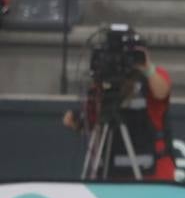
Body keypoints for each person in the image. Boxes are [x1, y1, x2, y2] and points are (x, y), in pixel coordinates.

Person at [61, 27, 175, 182]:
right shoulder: (102, 85)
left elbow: (161, 92)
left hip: (152, 173)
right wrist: (78, 122)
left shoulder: (153, 76)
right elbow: (92, 122)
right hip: (112, 172)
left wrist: (147, 68)